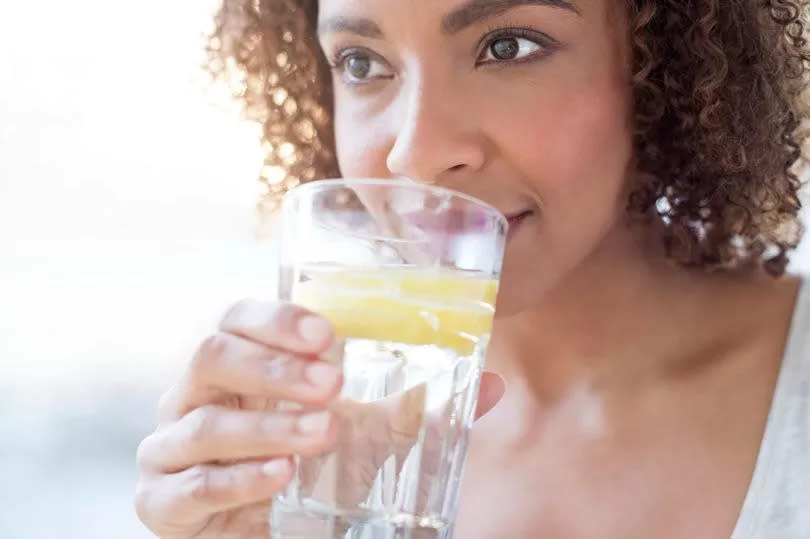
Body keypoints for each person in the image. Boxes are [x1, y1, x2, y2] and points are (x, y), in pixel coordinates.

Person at [134, 0, 810, 537]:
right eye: (363, 63)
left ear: (656, 63)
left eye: (508, 46)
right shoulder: (316, 461)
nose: (417, 153)